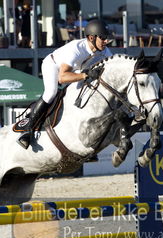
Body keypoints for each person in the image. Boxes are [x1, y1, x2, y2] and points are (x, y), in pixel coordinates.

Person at [14, 19, 112, 149]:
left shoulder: (104, 51)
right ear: (91, 37)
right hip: (54, 65)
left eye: (107, 38)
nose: (106, 41)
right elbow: (62, 77)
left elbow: (112, 65)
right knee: (51, 93)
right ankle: (28, 129)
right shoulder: (77, 48)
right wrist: (85, 75)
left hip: (76, 70)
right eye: (103, 38)